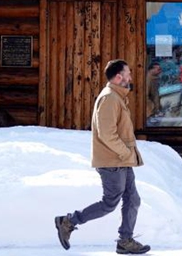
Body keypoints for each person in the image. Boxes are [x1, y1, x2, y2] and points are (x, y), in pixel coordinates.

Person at [55, 59, 150, 254]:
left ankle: (125, 241)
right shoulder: (109, 99)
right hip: (112, 161)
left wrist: (127, 155)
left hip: (121, 160)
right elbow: (106, 134)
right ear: (118, 77)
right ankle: (68, 221)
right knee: (109, 204)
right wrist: (125, 153)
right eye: (128, 73)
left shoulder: (117, 97)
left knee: (133, 199)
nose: (131, 77)